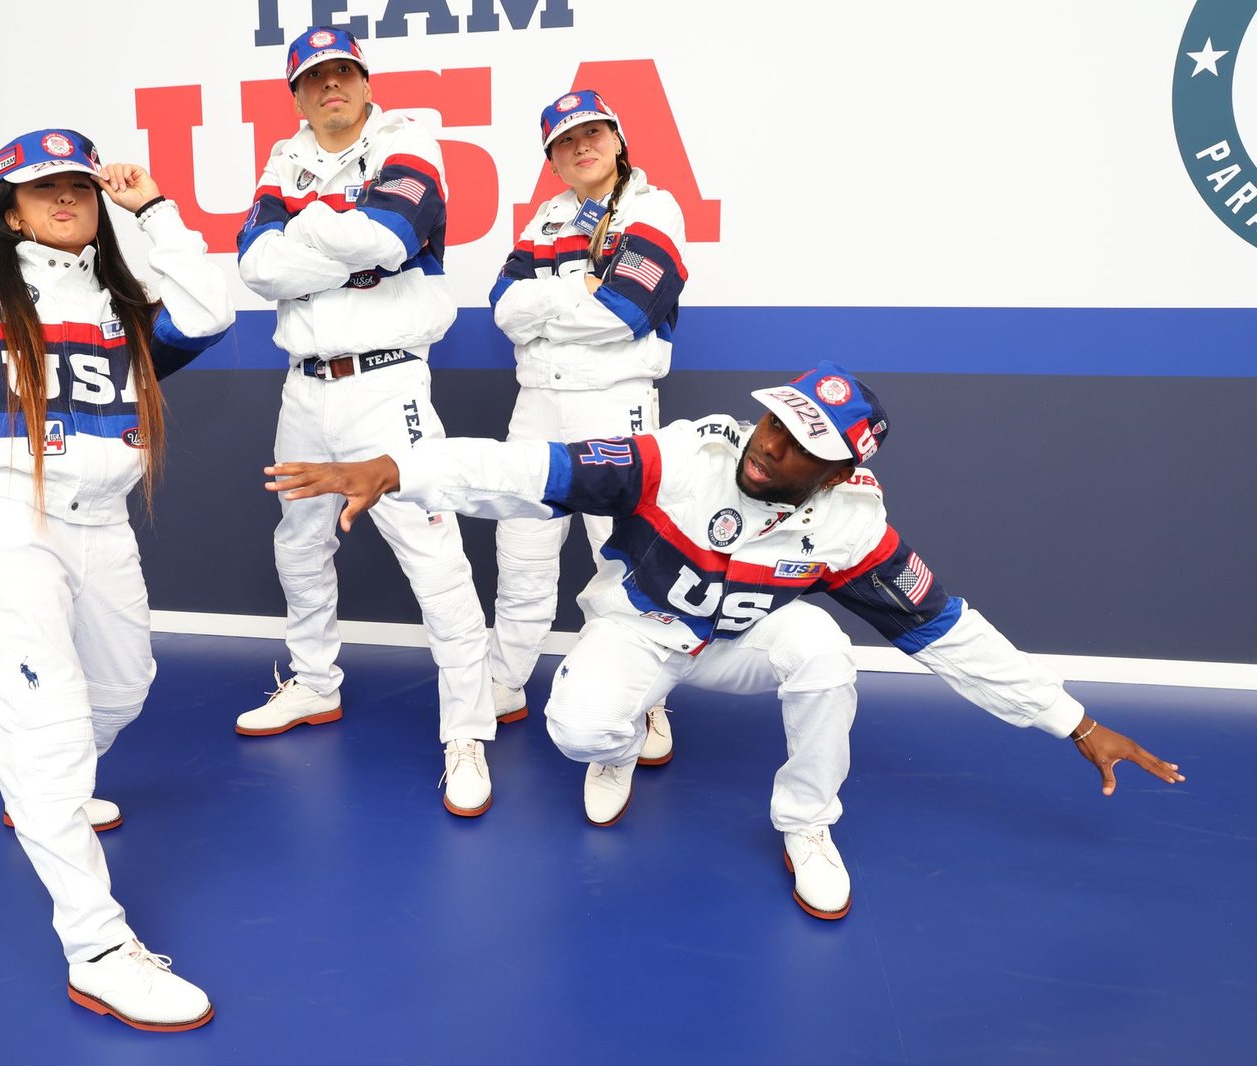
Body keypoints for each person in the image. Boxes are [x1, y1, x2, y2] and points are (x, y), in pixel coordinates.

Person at [261, 361, 1185, 920]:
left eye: (803, 442)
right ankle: (626, 736)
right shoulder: (680, 457)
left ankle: (808, 828)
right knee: (577, 729)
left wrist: (1073, 722)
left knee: (824, 646)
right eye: (780, 419)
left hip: (739, 644)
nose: (772, 445)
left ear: (840, 471)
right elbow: (523, 471)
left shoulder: (854, 527)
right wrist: (399, 468)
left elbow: (949, 633)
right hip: (638, 628)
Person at [0, 129, 234, 1030]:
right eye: (41, 189)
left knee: (125, 688)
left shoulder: (123, 301)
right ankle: (99, 950)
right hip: (3, 524)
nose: (64, 198)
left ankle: (42, 790)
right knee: (52, 733)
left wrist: (157, 211)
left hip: (102, 524)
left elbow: (213, 313)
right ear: (10, 208)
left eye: (77, 185)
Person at [233, 27, 499, 817]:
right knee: (299, 540)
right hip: (304, 390)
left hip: (387, 384)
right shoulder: (284, 156)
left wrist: (305, 231)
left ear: (363, 79)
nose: (330, 87)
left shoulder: (405, 135)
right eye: (314, 78)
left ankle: (467, 732)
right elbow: (255, 264)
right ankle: (315, 683)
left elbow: (393, 234)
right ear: (297, 93)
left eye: (343, 72)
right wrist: (345, 244)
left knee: (433, 554)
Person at [488, 89, 687, 767]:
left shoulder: (653, 209)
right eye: (566, 141)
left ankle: (642, 699)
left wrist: (550, 305)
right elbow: (502, 308)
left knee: (623, 563)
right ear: (552, 159)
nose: (582, 146)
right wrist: (579, 287)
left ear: (618, 138)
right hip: (537, 404)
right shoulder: (544, 219)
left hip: (615, 404)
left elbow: (626, 312)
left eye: (593, 132)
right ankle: (505, 681)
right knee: (521, 559)